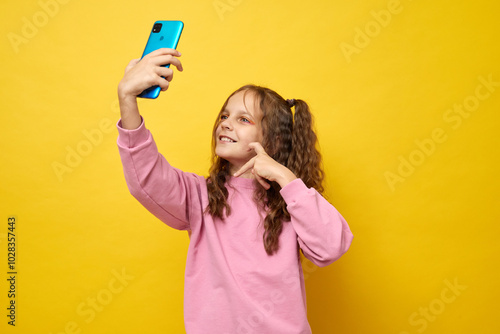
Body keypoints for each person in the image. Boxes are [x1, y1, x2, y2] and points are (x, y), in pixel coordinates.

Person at [116, 48, 354, 334]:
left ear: (274, 140)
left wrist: (287, 179)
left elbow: (331, 247)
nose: (225, 123)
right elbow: (146, 177)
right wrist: (128, 99)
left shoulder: (293, 203)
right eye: (225, 115)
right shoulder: (199, 196)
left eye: (244, 119)